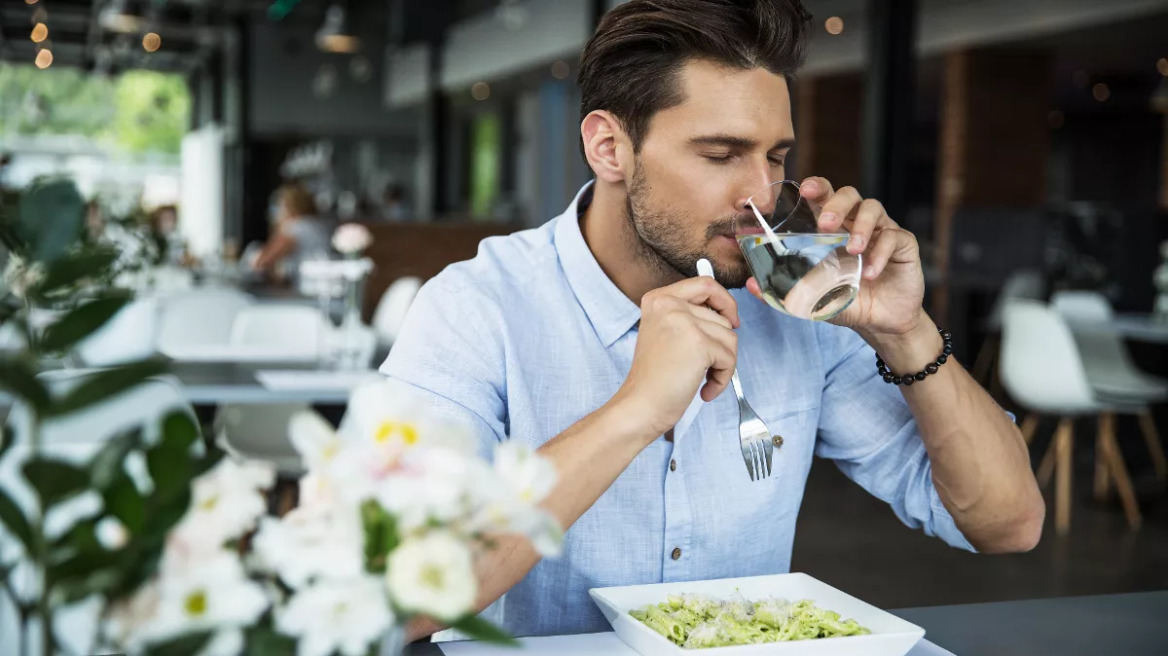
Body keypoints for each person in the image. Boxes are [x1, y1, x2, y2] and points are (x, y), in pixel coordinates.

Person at [382, 0, 1043, 640]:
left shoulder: (799, 303)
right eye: (721, 155)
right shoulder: (478, 307)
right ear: (609, 147)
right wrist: (635, 410)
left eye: (776, 157)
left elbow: (1008, 523)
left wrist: (906, 330)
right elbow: (395, 599)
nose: (759, 194)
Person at [251, 182, 332, 283]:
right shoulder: (313, 224)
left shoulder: (296, 227)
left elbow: (263, 261)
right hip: (321, 283)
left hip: (309, 286)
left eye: (279, 206)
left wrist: (276, 227)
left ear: (290, 207)